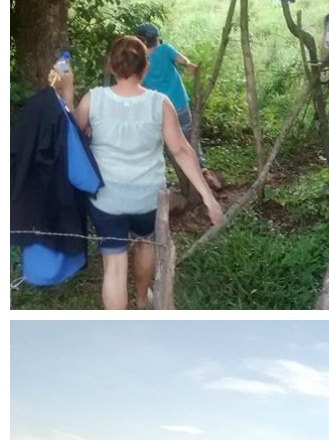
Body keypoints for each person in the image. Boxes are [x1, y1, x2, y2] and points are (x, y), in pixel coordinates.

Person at [57, 37, 224, 309]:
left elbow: (72, 136)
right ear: (145, 68)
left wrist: (67, 91)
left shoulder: (94, 99)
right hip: (147, 198)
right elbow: (182, 151)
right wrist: (209, 198)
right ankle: (141, 299)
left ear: (111, 66)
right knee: (146, 243)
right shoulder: (160, 103)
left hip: (106, 198)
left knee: (114, 265)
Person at [132, 23, 204, 170]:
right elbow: (181, 60)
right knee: (189, 133)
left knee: (164, 139)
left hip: (159, 107)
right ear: (157, 38)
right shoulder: (165, 49)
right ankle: (200, 165)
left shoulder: (139, 59)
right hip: (179, 102)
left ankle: (178, 168)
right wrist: (189, 64)